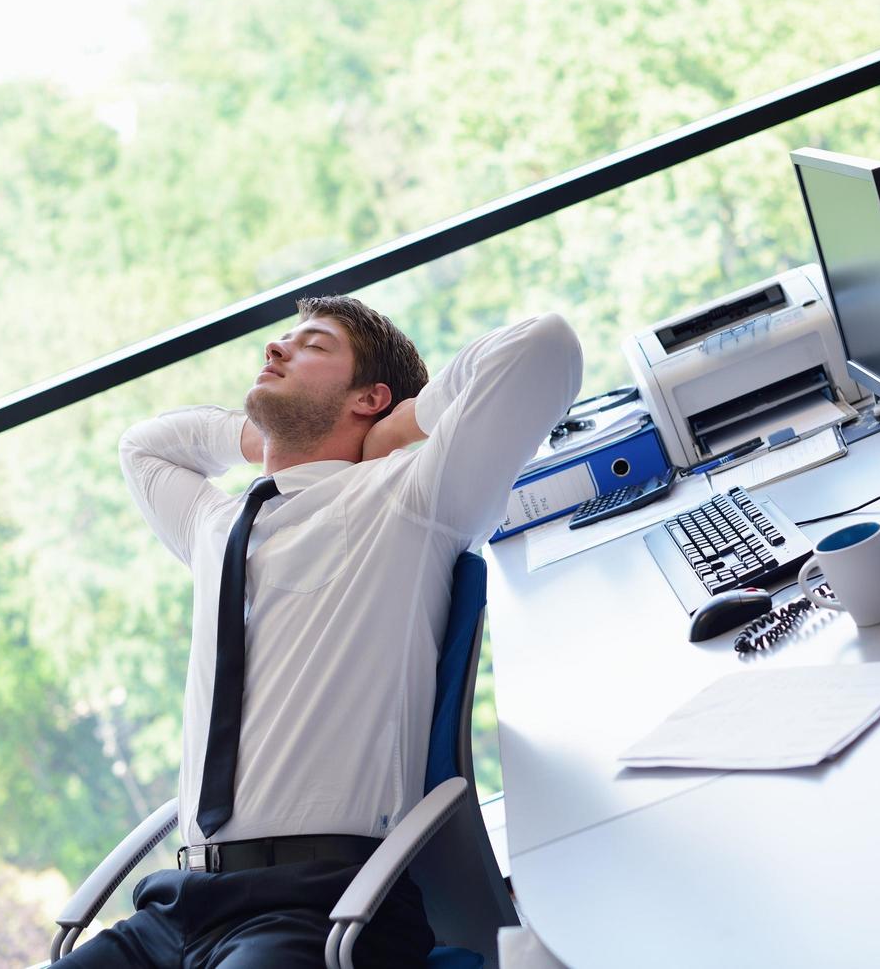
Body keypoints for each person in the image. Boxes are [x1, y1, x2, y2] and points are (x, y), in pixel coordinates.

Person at [57, 295, 582, 967]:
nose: (275, 350)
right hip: (175, 907)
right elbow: (143, 446)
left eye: (311, 344)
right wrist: (262, 437)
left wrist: (400, 429)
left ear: (370, 396)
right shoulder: (218, 527)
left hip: (320, 905)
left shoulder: (410, 497)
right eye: (281, 342)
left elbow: (546, 345)